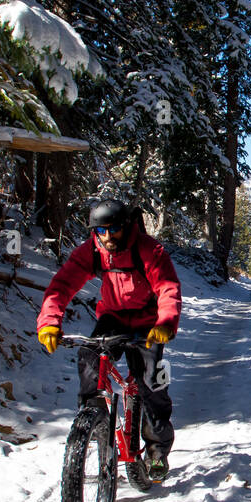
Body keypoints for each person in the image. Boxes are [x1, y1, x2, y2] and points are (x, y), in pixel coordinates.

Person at [36, 199, 182, 480]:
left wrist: (166, 322)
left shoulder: (149, 250)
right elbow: (62, 286)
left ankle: (157, 452)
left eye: (113, 229)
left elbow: (167, 287)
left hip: (149, 322)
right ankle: (95, 420)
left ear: (127, 226)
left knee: (152, 382)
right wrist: (49, 323)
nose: (106, 236)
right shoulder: (92, 250)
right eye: (100, 230)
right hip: (113, 318)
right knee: (89, 357)